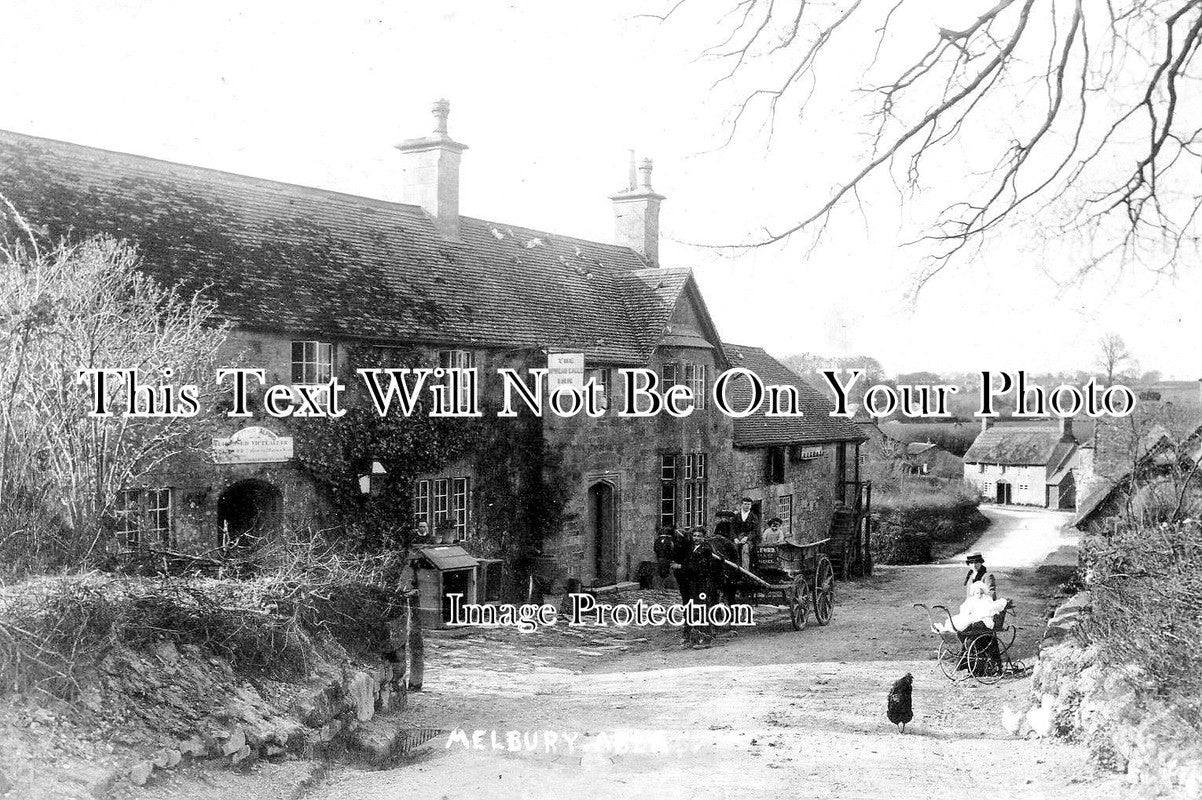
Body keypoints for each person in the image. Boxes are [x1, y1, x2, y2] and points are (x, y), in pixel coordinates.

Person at [732, 497, 760, 570]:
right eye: (745, 504)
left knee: (745, 549)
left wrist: (747, 537)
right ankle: (734, 569)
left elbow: (755, 530)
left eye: (748, 504)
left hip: (749, 539)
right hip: (738, 538)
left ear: (750, 506)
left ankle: (745, 570)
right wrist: (735, 538)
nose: (746, 506)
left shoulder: (753, 516)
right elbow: (732, 529)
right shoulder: (736, 516)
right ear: (741, 505)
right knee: (733, 549)